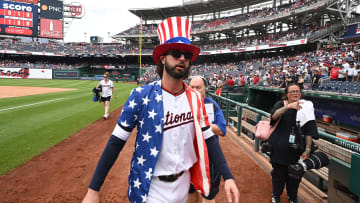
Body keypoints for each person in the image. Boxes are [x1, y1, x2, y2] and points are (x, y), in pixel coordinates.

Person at [82, 17, 239, 203]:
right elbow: (116, 142)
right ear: (163, 58)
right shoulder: (141, 95)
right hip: (151, 188)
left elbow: (209, 139)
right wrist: (94, 189)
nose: (182, 58)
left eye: (187, 55)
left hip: (183, 184)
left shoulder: (196, 98)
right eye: (176, 53)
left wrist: (228, 177)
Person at [267, 84, 319, 203]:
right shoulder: (281, 104)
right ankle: (276, 195)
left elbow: (309, 130)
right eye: (292, 91)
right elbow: (274, 116)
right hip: (279, 148)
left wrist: (307, 149)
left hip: (297, 150)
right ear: (286, 94)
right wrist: (289, 106)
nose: (295, 93)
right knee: (278, 174)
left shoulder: (306, 107)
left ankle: (292, 198)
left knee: (295, 176)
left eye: (297, 91)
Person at [188, 76, 227, 203]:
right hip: (188, 155)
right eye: (192, 87)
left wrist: (200, 124)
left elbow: (221, 129)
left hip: (208, 156)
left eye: (198, 87)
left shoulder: (212, 105)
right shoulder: (183, 104)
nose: (194, 90)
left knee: (208, 194)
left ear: (205, 89)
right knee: (190, 190)